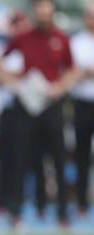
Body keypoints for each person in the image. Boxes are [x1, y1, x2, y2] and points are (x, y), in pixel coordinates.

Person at [0, 0, 79, 227]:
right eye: (39, 8)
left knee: (59, 160)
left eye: (47, 8)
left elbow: (72, 70)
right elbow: (0, 62)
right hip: (26, 107)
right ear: (34, 12)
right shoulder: (23, 38)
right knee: (19, 159)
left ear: (52, 12)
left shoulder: (61, 38)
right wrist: (15, 84)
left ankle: (63, 214)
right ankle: (16, 213)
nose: (43, 13)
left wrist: (59, 88)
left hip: (51, 106)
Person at [70, 2, 94, 215]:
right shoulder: (77, 42)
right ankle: (81, 203)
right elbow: (73, 73)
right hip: (83, 103)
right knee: (82, 154)